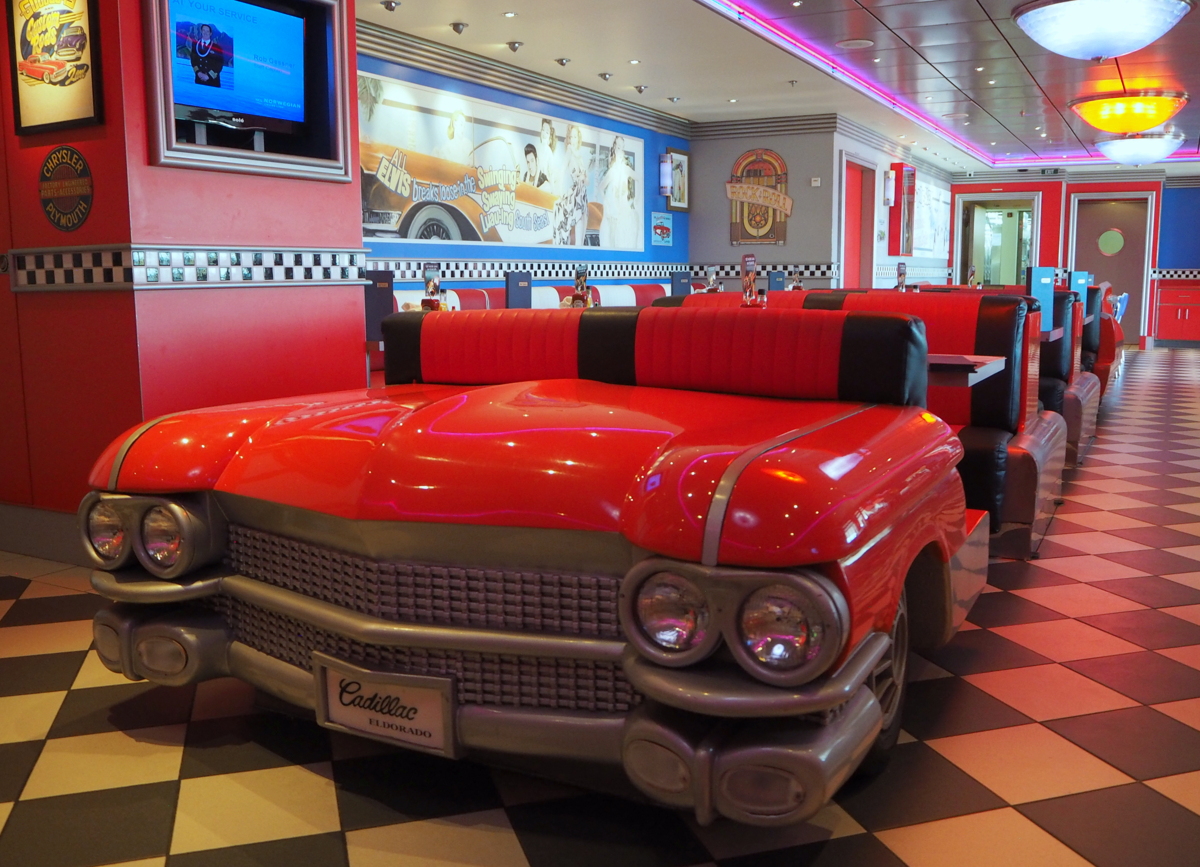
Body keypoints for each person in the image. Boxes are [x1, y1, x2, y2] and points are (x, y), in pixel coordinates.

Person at [552, 123, 589, 246]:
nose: (573, 140)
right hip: (575, 195)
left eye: (575, 137)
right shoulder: (569, 151)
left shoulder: (580, 157)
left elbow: (587, 182)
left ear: (578, 138)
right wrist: (560, 192)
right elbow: (562, 171)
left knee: (582, 233)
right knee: (578, 228)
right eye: (571, 137)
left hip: (583, 195)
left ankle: (580, 254)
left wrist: (584, 178)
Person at [598, 135, 637, 248]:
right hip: (613, 212)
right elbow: (601, 187)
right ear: (615, 149)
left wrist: (636, 200)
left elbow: (639, 178)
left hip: (623, 211)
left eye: (622, 148)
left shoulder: (625, 170)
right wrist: (607, 202)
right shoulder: (612, 171)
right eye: (619, 148)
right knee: (613, 239)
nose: (621, 151)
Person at [538, 118, 559, 194]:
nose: (544, 134)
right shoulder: (539, 148)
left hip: (545, 184)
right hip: (538, 182)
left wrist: (553, 192)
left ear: (550, 136)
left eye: (546, 132)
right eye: (543, 130)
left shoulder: (548, 152)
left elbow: (551, 174)